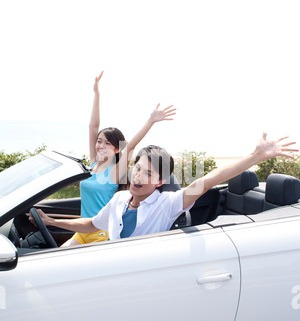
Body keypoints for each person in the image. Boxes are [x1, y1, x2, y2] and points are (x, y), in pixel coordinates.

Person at [31, 133, 298, 240]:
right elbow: (91, 225)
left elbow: (208, 180)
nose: (137, 177)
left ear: (160, 182)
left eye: (148, 174)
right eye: (137, 169)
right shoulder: (120, 199)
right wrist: (51, 220)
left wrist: (255, 157)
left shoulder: (168, 203)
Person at [64, 70, 176, 246]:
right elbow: (93, 126)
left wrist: (150, 121)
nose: (100, 145)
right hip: (83, 231)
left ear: (117, 149)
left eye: (107, 144)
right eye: (99, 142)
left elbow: (130, 146)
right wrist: (96, 93)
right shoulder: (93, 163)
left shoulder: (115, 172)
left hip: (101, 233)